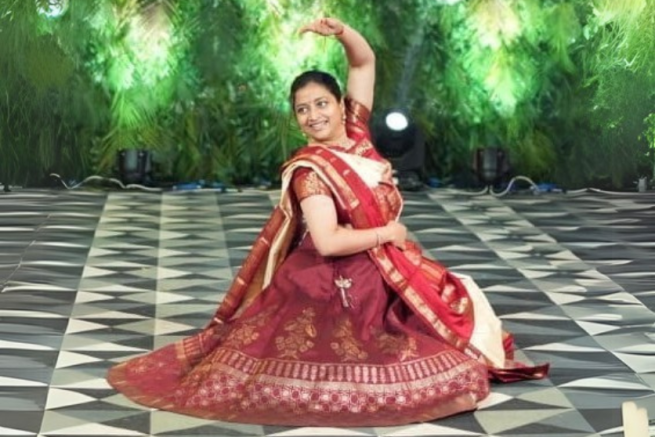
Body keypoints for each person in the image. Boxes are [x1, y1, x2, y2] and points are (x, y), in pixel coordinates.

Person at [106, 17, 548, 427]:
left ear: (342, 106)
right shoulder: (310, 171)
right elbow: (329, 241)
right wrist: (390, 232)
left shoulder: (356, 134)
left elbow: (364, 60)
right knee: (433, 365)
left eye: (322, 103)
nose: (314, 114)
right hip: (341, 275)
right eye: (303, 109)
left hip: (385, 263)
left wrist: (341, 32)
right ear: (296, 119)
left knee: (463, 296)